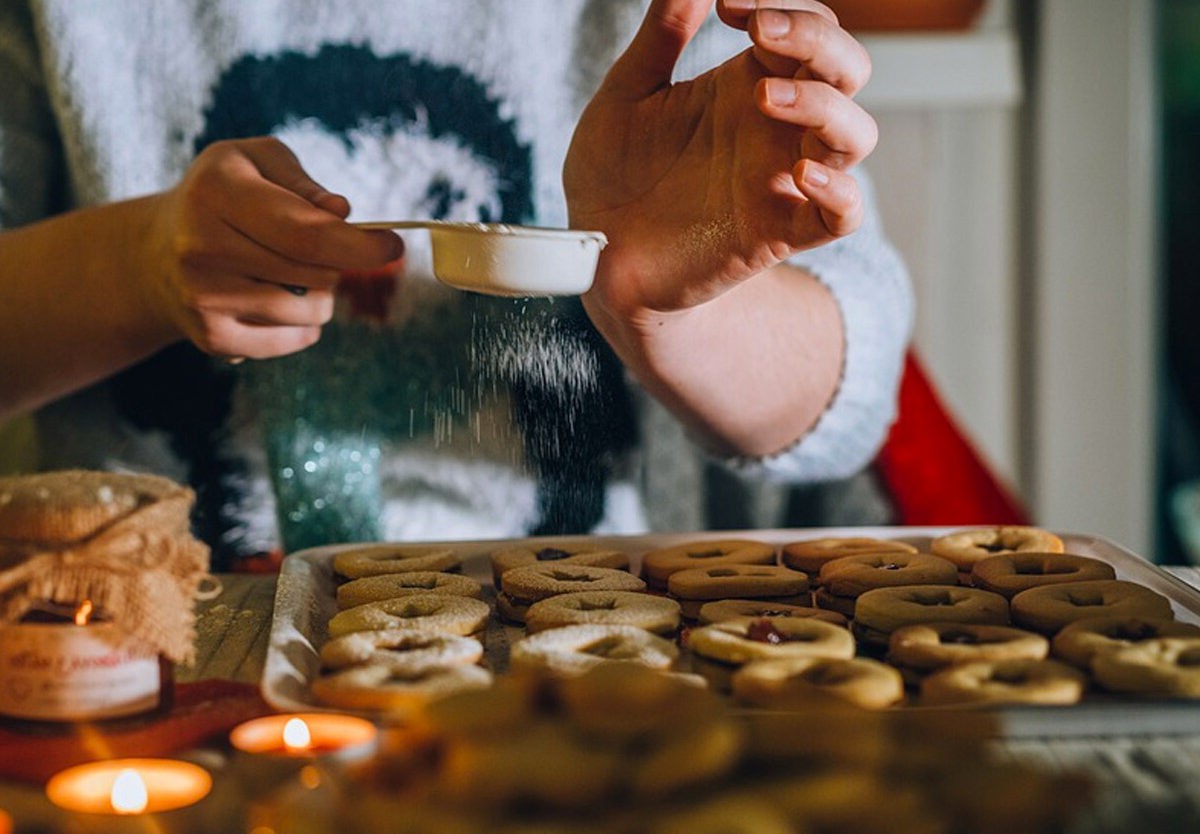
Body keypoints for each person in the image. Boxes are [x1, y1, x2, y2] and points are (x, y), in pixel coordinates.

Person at [0, 0, 912, 566]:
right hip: (153, 653)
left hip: (586, 656)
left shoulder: (683, 16)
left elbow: (849, 390)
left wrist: (664, 305)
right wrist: (136, 264)